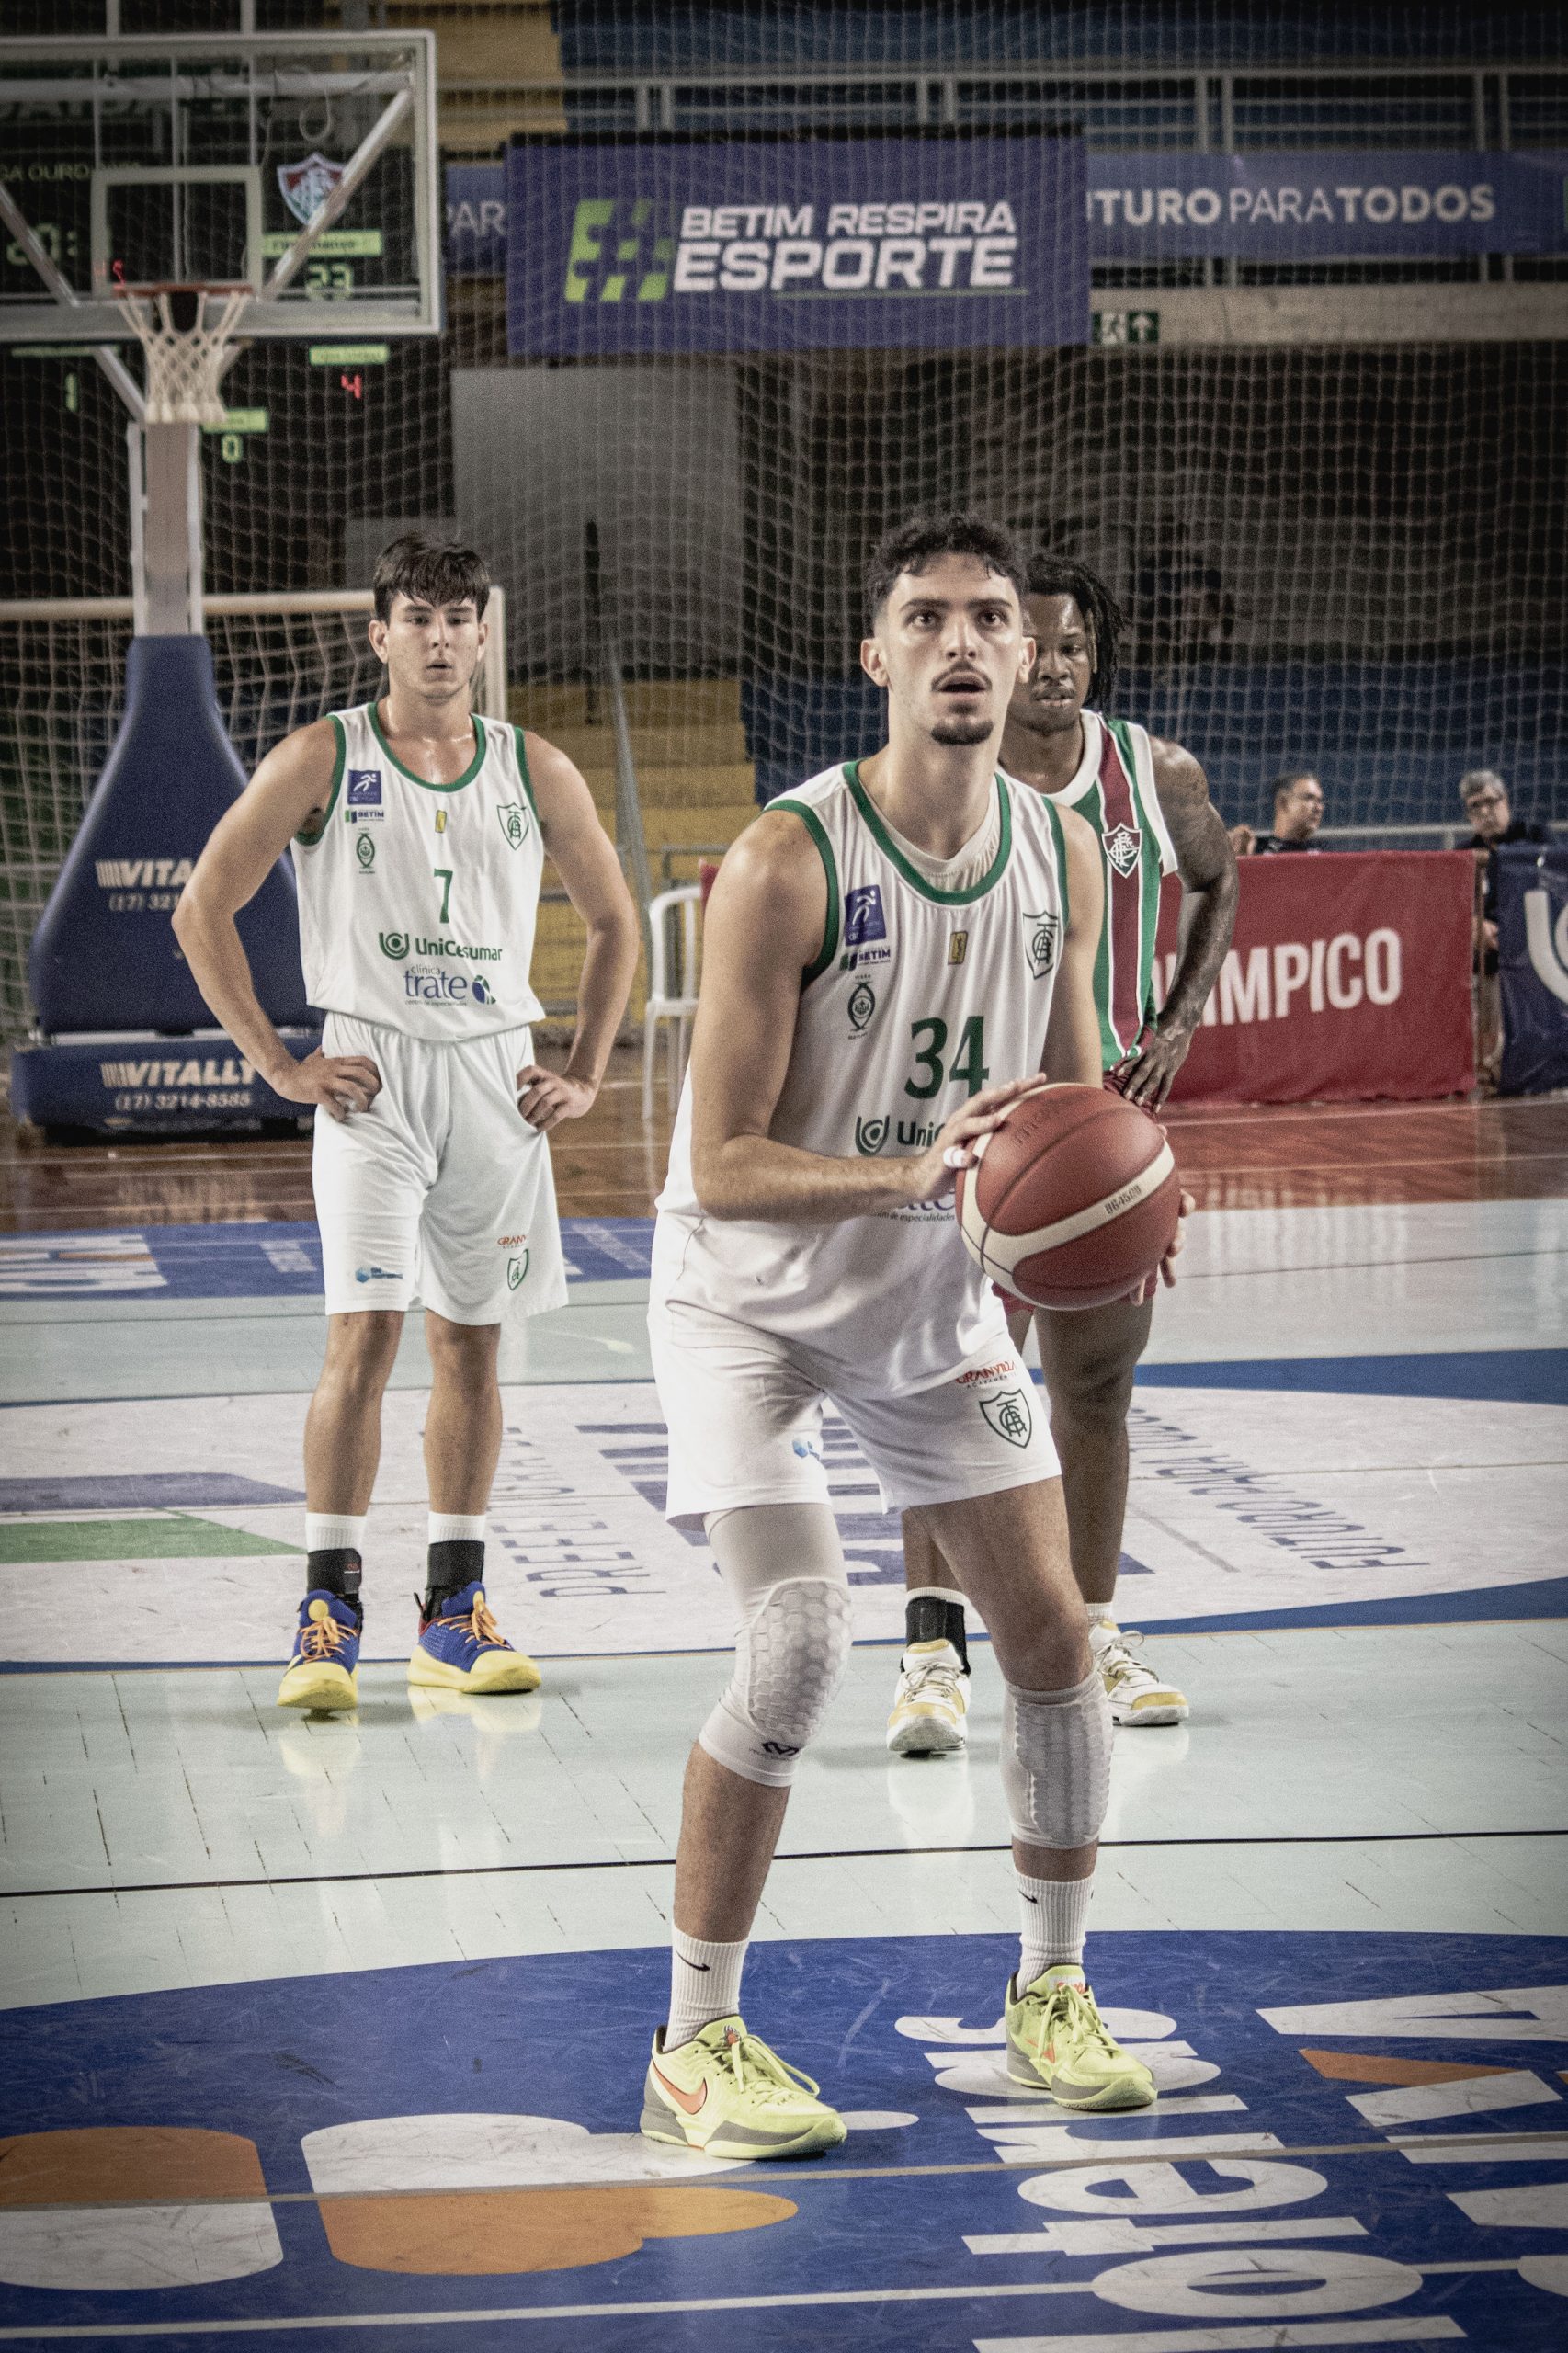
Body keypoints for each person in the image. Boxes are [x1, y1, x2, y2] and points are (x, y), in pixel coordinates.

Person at [642, 510, 1189, 2161]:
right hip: (746, 1302)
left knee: (1054, 1643)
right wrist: (910, 1173)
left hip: (929, 1299)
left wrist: (1123, 1195)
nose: (963, 642)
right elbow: (720, 1164)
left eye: (991, 618)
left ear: (1031, 654)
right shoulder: (785, 860)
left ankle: (1051, 1992)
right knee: (800, 1641)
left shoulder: (1063, 854)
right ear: (874, 653)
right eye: (928, 617)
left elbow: (1068, 1097)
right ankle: (693, 2041)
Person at [173, 533, 639, 1711]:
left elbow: (615, 922)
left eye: (458, 618)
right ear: (378, 634)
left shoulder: (534, 766)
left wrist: (585, 1070)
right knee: (363, 1337)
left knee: (471, 1346)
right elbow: (201, 906)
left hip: (493, 1077)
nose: (439, 637)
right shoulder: (322, 755)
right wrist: (277, 1063)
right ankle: (327, 1610)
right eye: (417, 618)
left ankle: (452, 1608)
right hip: (370, 1076)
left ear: (483, 635)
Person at [888, 554, 1236, 1756]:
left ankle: (1092, 1632)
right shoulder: (943, 779)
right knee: (950, 1396)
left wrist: (1177, 1019)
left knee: (1095, 1391)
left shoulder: (1153, 774)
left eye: (1073, 646)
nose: (1051, 666)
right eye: (1030, 644)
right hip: (976, 1133)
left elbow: (1219, 880)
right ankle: (931, 1651)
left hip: (1099, 1135)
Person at [1460, 767, 1551, 1080]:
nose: (1485, 812)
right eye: (1475, 806)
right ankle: (1486, 1063)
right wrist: (1473, 922)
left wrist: (1515, 926)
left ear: (1506, 800)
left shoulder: (1536, 837)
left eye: (1491, 801)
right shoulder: (1464, 854)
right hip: (1489, 954)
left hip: (1539, 944)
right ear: (1468, 815)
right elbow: (1450, 906)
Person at [1230, 769, 1324, 857]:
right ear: (1283, 802)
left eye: (1320, 801)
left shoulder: (1324, 855)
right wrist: (1241, 859)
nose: (1319, 808)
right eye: (1309, 798)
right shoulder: (1255, 851)